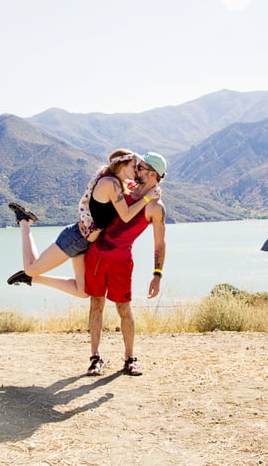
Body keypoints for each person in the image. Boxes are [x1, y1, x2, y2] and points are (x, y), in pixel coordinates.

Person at [6, 149, 160, 298]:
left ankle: (32, 279)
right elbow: (126, 215)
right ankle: (25, 221)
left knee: (82, 292)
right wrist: (147, 197)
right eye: (134, 166)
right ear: (123, 165)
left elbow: (141, 188)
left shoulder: (118, 184)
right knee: (31, 268)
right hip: (75, 238)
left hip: (85, 243)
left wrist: (154, 189)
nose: (136, 171)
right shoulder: (110, 183)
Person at [84, 152, 167, 377]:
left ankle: (130, 358)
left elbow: (159, 243)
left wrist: (157, 275)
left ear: (151, 174)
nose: (135, 170)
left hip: (121, 261)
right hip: (96, 254)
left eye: (139, 168)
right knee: (96, 304)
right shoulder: (124, 187)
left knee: (123, 308)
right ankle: (95, 358)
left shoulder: (156, 207)